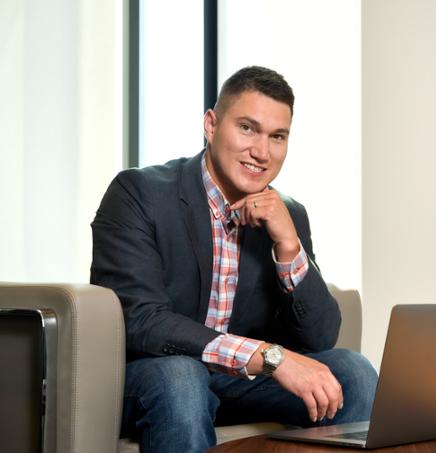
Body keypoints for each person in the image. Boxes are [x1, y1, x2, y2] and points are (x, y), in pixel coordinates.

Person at [90, 66, 377, 453]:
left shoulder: (287, 214)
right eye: (247, 128)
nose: (262, 151)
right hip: (152, 374)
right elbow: (142, 321)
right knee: (181, 378)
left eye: (277, 137)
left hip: (240, 380)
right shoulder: (137, 193)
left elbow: (320, 337)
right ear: (211, 124)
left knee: (354, 372)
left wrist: (289, 245)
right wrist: (270, 358)